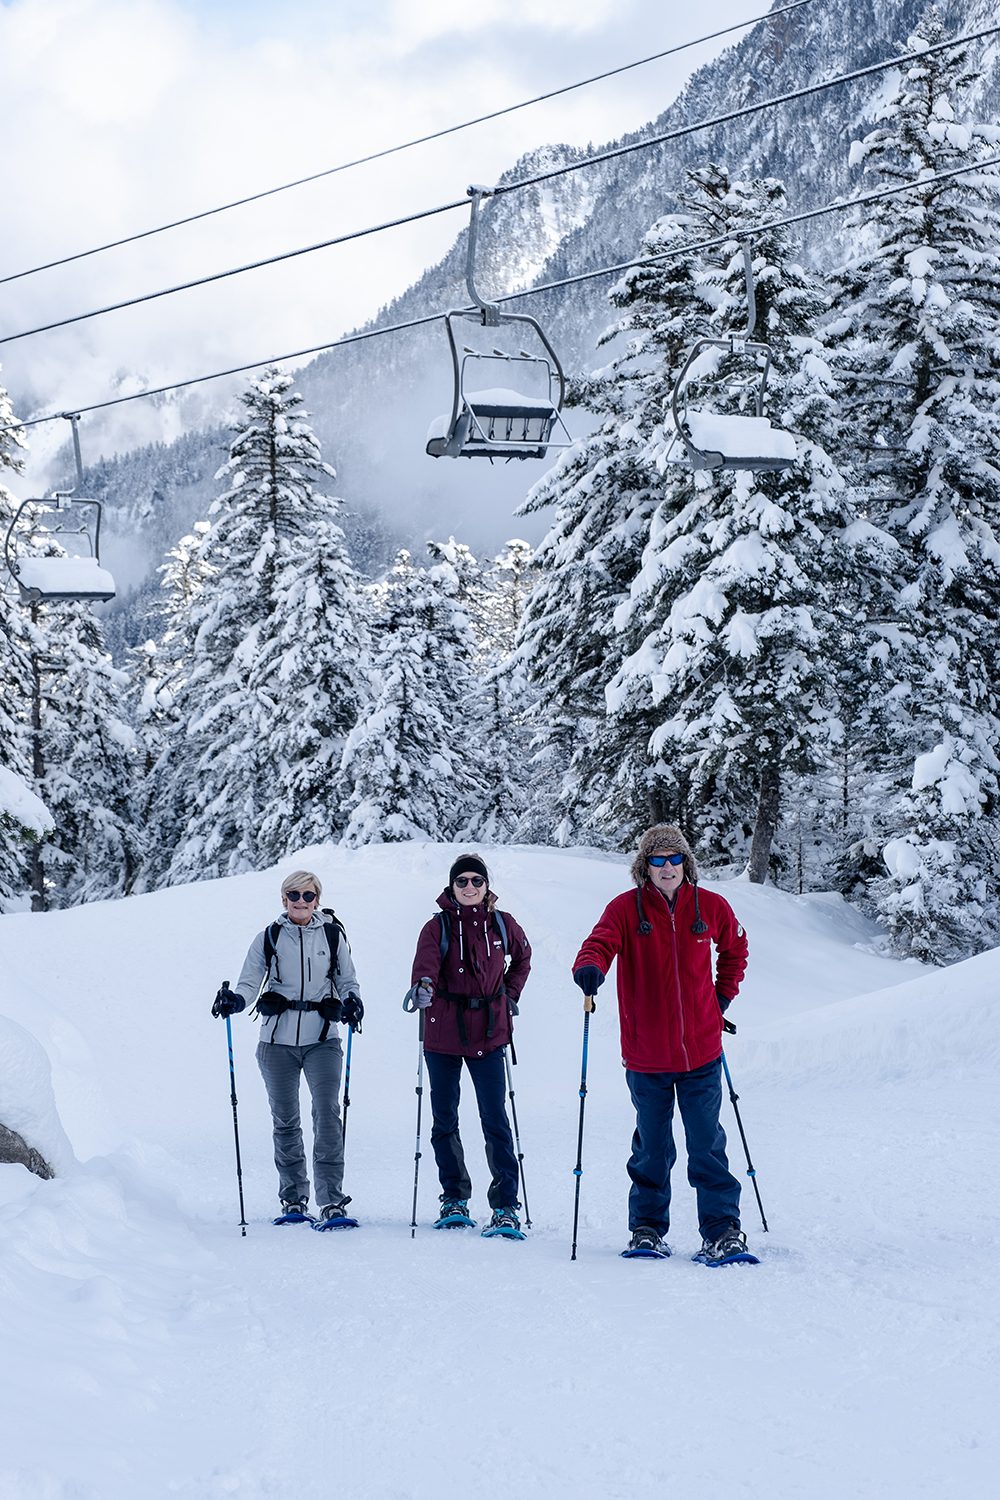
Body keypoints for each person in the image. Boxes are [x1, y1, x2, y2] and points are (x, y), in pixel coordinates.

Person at [571, 825, 751, 1264]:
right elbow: (598, 944)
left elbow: (736, 949)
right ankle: (647, 1229)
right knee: (653, 1147)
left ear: (685, 864)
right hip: (647, 1055)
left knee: (707, 1143)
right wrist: (590, 968)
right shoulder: (625, 909)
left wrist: (719, 998)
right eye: (657, 860)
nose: (667, 867)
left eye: (674, 859)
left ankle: (723, 1230)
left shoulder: (709, 905)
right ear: (644, 866)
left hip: (702, 1052)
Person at [213, 869, 363, 1226]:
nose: (300, 902)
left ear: (317, 899)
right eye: (293, 895)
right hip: (276, 1042)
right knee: (285, 1121)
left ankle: (332, 1202)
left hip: (322, 1039)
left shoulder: (331, 934)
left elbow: (347, 979)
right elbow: (249, 982)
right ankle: (293, 1199)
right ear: (284, 900)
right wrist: (235, 1000)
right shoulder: (269, 936)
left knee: (327, 1115)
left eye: (307, 896)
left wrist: (352, 1002)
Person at [408, 853, 532, 1238]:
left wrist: (510, 994)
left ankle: (505, 1206)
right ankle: (454, 1198)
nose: (469, 887)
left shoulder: (502, 923)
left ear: (486, 886)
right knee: (445, 1120)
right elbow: (424, 967)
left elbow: (523, 958)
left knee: (495, 1119)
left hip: (491, 1031)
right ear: (451, 887)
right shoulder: (437, 927)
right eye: (461, 881)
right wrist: (423, 988)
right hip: (442, 1032)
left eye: (476, 881)